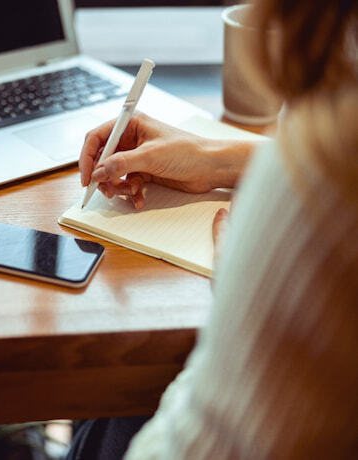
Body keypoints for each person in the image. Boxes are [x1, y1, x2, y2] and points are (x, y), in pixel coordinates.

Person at [69, 0, 358, 458]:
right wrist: (215, 159)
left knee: (116, 401)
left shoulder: (328, 165)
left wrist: (246, 287)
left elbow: (205, 445)